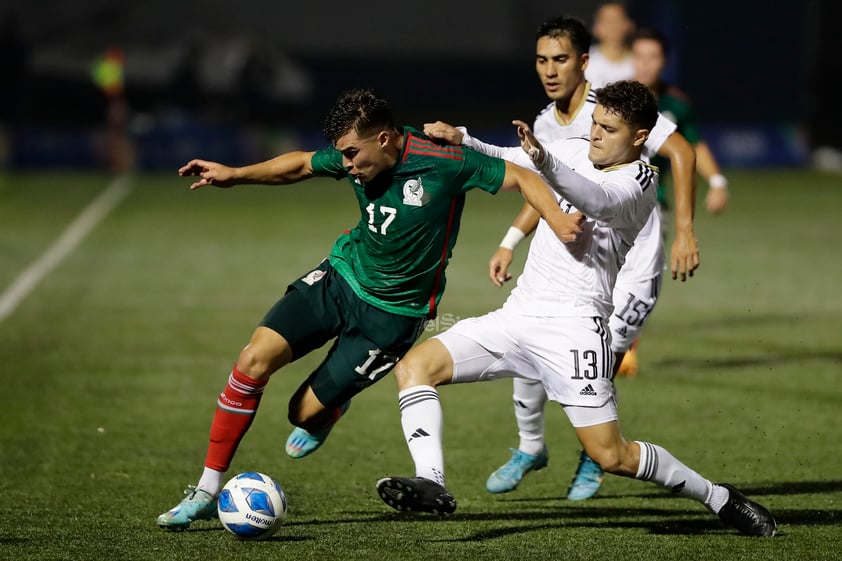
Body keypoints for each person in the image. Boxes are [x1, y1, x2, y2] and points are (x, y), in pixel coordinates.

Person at [155, 88, 580, 530]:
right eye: (341, 155)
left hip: (393, 317)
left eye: (353, 154)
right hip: (341, 277)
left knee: (301, 413)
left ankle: (330, 410)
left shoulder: (445, 160)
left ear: (383, 139)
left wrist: (556, 217)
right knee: (252, 360)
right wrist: (235, 174)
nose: (347, 165)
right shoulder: (353, 158)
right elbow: (301, 163)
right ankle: (206, 488)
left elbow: (525, 178)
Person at [375, 81, 777, 538]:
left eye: (609, 128)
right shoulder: (575, 146)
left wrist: (545, 161)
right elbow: (516, 156)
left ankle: (718, 497)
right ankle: (432, 482)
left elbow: (595, 200)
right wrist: (464, 138)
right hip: (518, 314)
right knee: (415, 367)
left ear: (640, 137)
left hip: (576, 330)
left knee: (613, 456)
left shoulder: (640, 181)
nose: (596, 134)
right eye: (595, 123)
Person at [427, 15, 698, 504]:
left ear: (584, 62)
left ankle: (597, 459)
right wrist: (511, 238)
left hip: (632, 264)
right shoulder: (549, 123)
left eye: (561, 59)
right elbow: (542, 181)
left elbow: (679, 151)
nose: (550, 70)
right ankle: (534, 446)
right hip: (578, 262)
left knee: (601, 368)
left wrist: (684, 231)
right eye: (542, 60)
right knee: (534, 343)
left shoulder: (615, 107)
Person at [631, 26, 730, 216]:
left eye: (652, 57)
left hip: (654, 206)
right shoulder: (612, 101)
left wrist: (717, 182)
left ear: (664, 61)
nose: (645, 64)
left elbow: (694, 144)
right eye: (639, 56)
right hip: (613, 203)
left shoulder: (677, 104)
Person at [585, 2, 635, 88]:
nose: (613, 26)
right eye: (607, 21)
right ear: (596, 27)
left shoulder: (640, 62)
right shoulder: (583, 61)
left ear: (629, 25)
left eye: (618, 20)